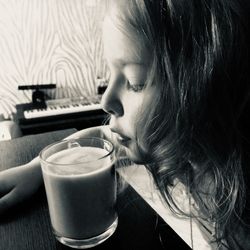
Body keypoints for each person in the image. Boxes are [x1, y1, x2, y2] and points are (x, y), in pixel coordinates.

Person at [0, 0, 250, 249]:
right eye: (110, 75)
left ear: (207, 88)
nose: (106, 101)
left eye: (135, 82)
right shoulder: (190, 145)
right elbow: (102, 135)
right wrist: (36, 169)